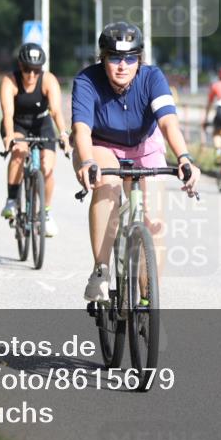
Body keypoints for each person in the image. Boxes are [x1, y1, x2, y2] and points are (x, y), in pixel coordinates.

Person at [72, 22, 200, 302]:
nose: (122, 66)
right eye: (115, 58)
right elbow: (81, 130)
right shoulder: (86, 81)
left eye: (130, 58)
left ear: (139, 60)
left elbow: (167, 122)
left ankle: (149, 302)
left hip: (145, 146)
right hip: (101, 146)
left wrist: (184, 157)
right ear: (102, 59)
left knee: (154, 225)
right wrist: (87, 162)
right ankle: (101, 271)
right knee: (107, 184)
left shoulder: (153, 77)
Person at [0, 43, 69, 237]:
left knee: (47, 168)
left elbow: (55, 110)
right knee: (19, 152)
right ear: (20, 66)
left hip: (41, 124)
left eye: (36, 71)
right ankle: (12, 200)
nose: (31, 76)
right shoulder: (10, 81)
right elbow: (7, 113)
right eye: (27, 70)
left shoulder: (48, 80)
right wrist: (10, 136)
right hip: (17, 124)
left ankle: (45, 213)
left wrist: (63, 133)